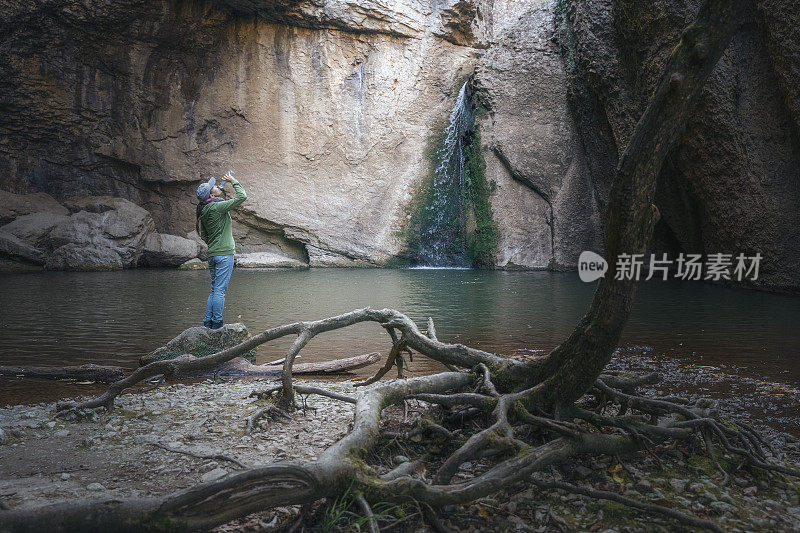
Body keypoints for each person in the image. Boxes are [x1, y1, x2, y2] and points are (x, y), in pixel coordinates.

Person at [195, 170, 247, 329]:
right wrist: (233, 181)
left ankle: (208, 322)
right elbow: (242, 197)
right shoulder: (217, 207)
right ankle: (217, 324)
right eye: (214, 187)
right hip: (225, 254)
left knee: (214, 290)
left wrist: (215, 242)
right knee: (219, 291)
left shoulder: (204, 210)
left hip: (213, 255)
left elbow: (204, 236)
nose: (217, 186)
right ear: (211, 196)